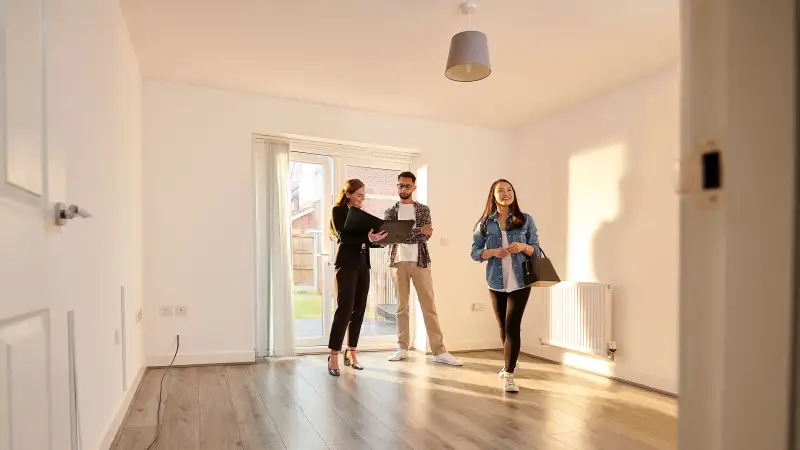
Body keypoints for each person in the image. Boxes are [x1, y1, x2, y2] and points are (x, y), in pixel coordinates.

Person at [384, 172, 462, 366]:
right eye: (400, 185)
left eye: (407, 186)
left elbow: (425, 237)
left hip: (420, 261)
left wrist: (405, 233)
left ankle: (439, 351)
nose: (403, 189)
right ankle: (402, 348)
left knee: (429, 306)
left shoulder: (423, 210)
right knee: (401, 307)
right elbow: (392, 237)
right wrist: (417, 230)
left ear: (414, 188)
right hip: (398, 262)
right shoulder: (390, 211)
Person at [470, 179, 541, 392]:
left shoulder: (526, 220)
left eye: (509, 190)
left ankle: (509, 374)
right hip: (496, 281)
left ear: (514, 194)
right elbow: (474, 252)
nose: (506, 193)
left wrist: (522, 246)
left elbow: (536, 250)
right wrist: (491, 252)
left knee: (512, 326)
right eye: (500, 191)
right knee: (502, 326)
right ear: (493, 195)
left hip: (520, 281)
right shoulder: (484, 223)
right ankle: (510, 361)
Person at [327, 179, 387, 376]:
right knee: (344, 309)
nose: (362, 199)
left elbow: (366, 240)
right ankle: (333, 354)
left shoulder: (361, 215)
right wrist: (367, 238)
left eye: (364, 196)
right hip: (346, 264)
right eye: (359, 195)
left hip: (363, 265)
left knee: (359, 310)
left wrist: (379, 240)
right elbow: (344, 237)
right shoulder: (339, 212)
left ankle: (352, 352)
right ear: (348, 194)